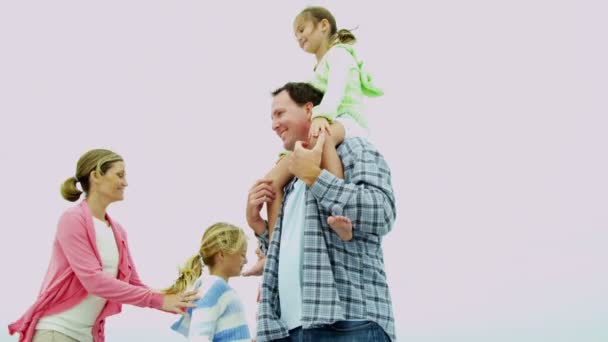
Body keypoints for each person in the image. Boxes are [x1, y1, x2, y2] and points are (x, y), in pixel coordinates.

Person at [246, 82, 396, 341]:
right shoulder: (289, 181)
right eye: (271, 117)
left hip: (350, 322)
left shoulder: (353, 149)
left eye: (280, 113)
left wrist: (315, 177)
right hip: (291, 330)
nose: (274, 124)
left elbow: (381, 211)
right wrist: (257, 224)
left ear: (309, 110)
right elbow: (294, 253)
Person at [243, 5, 383, 277]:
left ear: (323, 25)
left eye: (302, 29)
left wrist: (321, 116)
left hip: (346, 119)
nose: (299, 37)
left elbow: (337, 89)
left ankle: (340, 219)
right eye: (295, 34)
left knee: (323, 136)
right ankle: (274, 253)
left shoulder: (340, 55)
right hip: (327, 120)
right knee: (273, 180)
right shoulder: (317, 67)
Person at [8, 149, 198, 342]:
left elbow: (133, 284)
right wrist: (158, 300)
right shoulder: (72, 220)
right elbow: (93, 280)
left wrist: (180, 301)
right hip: (57, 332)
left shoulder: (117, 231)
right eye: (120, 175)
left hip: (86, 336)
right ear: (96, 175)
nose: (125, 183)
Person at [167, 222, 251, 342]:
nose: (246, 260)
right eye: (243, 254)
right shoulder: (215, 289)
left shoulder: (214, 288)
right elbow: (198, 337)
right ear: (221, 254)